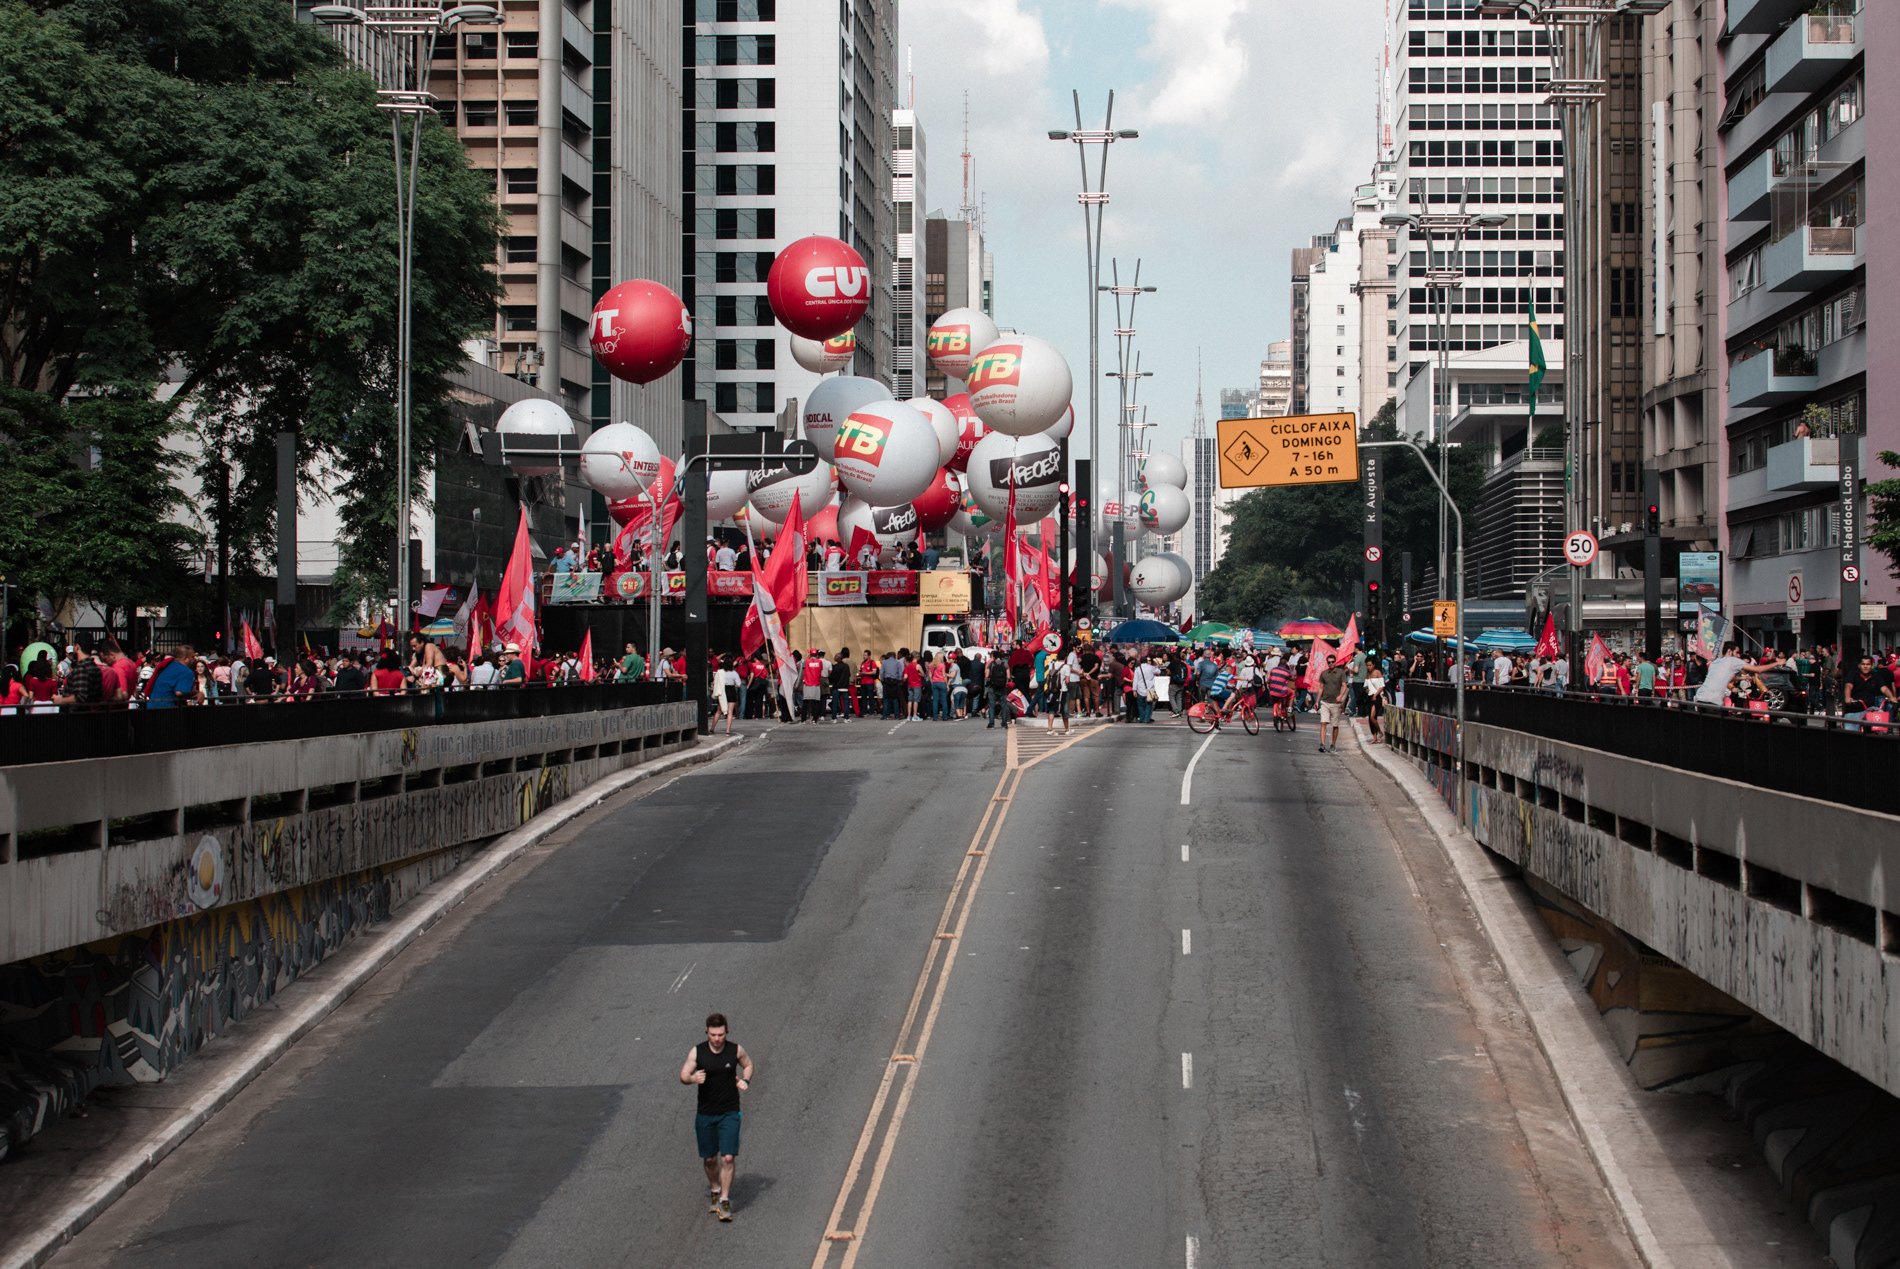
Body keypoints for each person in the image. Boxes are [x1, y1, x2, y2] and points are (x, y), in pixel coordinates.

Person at [679, 1012, 753, 1223]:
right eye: (713, 1034)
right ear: (707, 1033)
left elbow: (748, 1064)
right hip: (706, 1113)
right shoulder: (698, 1052)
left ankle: (724, 1200)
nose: (717, 1038)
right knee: (710, 1159)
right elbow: (684, 1074)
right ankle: (715, 1188)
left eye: (720, 1034)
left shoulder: (735, 1050)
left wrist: (746, 1080)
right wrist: (692, 1078)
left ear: (726, 1032)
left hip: (729, 1111)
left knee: (728, 1157)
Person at [1693, 643, 1764, 709]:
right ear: (1730, 651)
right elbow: (1728, 681)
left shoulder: (1717, 662)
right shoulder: (1729, 664)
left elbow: (1758, 682)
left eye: (1748, 663)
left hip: (1746, 697)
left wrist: (1764, 690)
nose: (1738, 656)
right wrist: (1733, 688)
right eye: (1737, 653)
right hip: (1721, 700)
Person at [1842, 653, 1896, 727]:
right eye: (1863, 664)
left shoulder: (1876, 677)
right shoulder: (1853, 675)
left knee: (1880, 712)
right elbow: (1848, 686)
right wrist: (1847, 697)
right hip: (1854, 710)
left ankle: (1879, 736)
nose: (1865, 666)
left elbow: (1884, 688)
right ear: (1859, 665)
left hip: (1870, 709)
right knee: (1851, 734)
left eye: (1868, 664)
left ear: (1872, 666)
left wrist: (1891, 697)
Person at [1316, 652, 1350, 753]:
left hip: (1335, 702)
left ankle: (1333, 744)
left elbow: (1344, 685)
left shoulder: (1340, 673)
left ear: (1335, 662)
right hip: (1325, 701)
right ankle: (1322, 743)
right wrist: (1317, 701)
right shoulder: (1324, 673)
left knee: (1335, 724)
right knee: (1323, 722)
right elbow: (1321, 687)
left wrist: (1340, 695)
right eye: (1329, 662)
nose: (1331, 663)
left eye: (1332, 662)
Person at [985, 652, 1012, 728]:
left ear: (994, 657)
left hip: (993, 687)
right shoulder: (1005, 664)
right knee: (1003, 705)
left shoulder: (991, 664)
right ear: (1001, 657)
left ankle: (991, 724)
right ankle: (1004, 724)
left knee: (992, 705)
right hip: (1002, 687)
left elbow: (986, 675)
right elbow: (1008, 676)